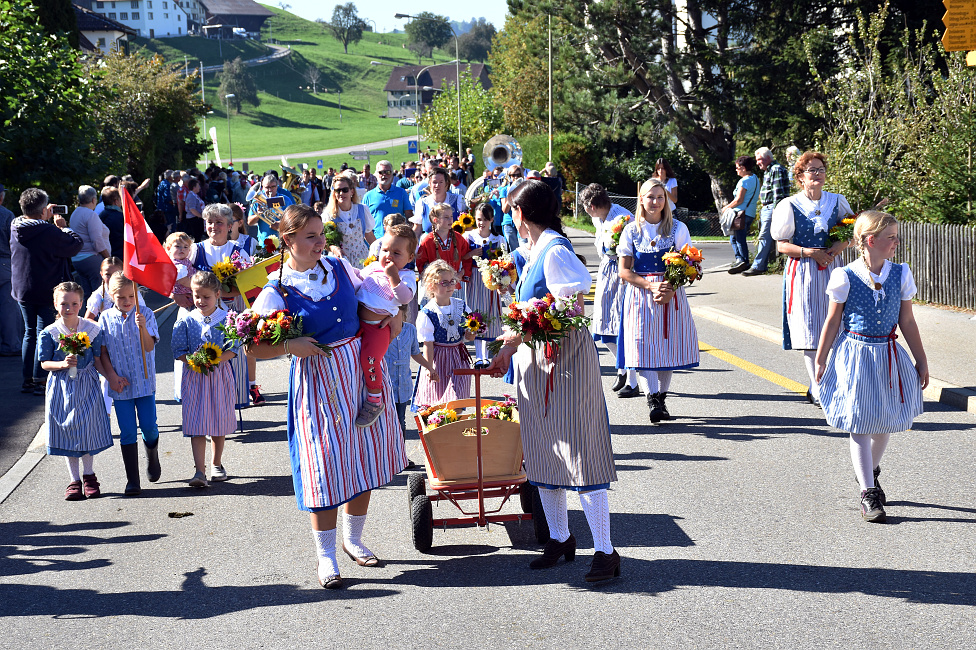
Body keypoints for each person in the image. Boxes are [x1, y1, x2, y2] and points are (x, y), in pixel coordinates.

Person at [249, 204, 407, 589]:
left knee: (363, 459)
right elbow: (253, 348)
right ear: (288, 241)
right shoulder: (276, 289)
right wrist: (290, 344)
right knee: (324, 466)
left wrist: (395, 319)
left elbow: (380, 304)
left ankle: (353, 540)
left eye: (321, 234)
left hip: (358, 371)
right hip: (317, 380)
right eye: (310, 236)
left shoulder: (339, 267)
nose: (320, 242)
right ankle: (325, 556)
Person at [487, 179, 620, 582]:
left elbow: (570, 311)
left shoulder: (556, 250)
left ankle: (606, 551)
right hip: (538, 362)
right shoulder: (534, 250)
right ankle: (560, 538)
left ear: (521, 214)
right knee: (545, 452)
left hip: (565, 365)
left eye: (512, 210)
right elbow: (538, 315)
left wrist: (519, 337)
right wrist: (510, 349)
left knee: (580, 451)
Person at [815, 211, 927, 523]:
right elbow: (832, 320)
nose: (897, 242)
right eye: (891, 237)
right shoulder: (845, 276)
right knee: (860, 422)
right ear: (870, 241)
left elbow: (907, 321)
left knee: (884, 422)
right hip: (855, 354)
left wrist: (922, 359)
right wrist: (822, 359)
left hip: (889, 354)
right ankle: (869, 492)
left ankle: (869, 469)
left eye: (896, 236)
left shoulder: (901, 273)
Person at [771, 150, 853, 405]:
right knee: (809, 330)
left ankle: (819, 382)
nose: (817, 174)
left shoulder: (837, 201)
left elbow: (851, 231)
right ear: (800, 177)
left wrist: (840, 245)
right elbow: (781, 245)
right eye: (811, 170)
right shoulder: (789, 205)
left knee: (835, 327)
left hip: (833, 269)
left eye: (820, 170)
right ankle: (819, 389)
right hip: (803, 272)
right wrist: (809, 253)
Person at [617, 178, 700, 422]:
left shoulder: (677, 228)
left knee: (666, 346)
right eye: (650, 197)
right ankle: (652, 398)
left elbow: (690, 264)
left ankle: (661, 399)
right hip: (640, 295)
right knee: (642, 347)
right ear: (641, 199)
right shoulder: (632, 230)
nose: (655, 202)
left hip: (671, 294)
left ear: (666, 201)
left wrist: (671, 288)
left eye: (660, 197)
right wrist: (650, 285)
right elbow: (624, 270)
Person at [38, 281, 113, 500]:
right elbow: (44, 363)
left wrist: (112, 378)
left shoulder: (91, 329)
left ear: (81, 304)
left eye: (73, 303)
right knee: (68, 429)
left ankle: (89, 475)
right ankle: (74, 479)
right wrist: (62, 364)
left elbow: (98, 360)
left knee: (87, 428)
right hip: (61, 386)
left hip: (87, 382)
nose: (68, 308)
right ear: (55, 304)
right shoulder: (49, 333)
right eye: (64, 304)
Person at [11, 188, 83, 395]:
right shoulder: (48, 231)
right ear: (43, 210)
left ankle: (28, 379)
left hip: (23, 289)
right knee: (45, 333)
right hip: (45, 288)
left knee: (29, 333)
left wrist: (43, 215)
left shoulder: (15, 225)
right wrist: (63, 227)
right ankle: (40, 379)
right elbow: (74, 245)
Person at [97, 272, 161, 496]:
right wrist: (111, 377)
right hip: (120, 385)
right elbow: (102, 353)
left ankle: (152, 454)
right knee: (126, 431)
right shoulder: (104, 318)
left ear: (137, 294)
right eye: (121, 297)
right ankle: (132, 481)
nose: (126, 301)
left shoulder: (146, 314)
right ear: (111, 296)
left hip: (143, 382)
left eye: (130, 296)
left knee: (149, 427)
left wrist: (142, 327)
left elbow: (150, 347)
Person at [172, 271, 238, 487]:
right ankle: (199, 471)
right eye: (196, 296)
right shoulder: (187, 320)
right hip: (194, 377)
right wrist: (193, 360)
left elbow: (235, 348)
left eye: (206, 297)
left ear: (218, 294)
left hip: (219, 376)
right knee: (197, 424)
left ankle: (217, 464)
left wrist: (216, 359)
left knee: (218, 422)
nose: (200, 301)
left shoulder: (228, 319)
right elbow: (178, 349)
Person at [354, 224, 418, 427]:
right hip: (358, 322)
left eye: (396, 253)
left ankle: (374, 399)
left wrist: (393, 277)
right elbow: (358, 278)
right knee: (355, 361)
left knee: (370, 360)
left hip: (378, 327)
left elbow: (405, 298)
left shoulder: (406, 277)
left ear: (409, 257)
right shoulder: (373, 267)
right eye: (385, 250)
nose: (389, 256)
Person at [579, 183, 639, 397]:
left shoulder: (622, 218)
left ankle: (633, 380)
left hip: (622, 273)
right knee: (604, 327)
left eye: (584, 206)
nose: (584, 211)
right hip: (606, 271)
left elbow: (631, 248)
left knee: (622, 326)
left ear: (592, 206)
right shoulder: (598, 218)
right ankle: (621, 368)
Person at [190, 203, 250, 410]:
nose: (214, 226)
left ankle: (229, 408)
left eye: (219, 222)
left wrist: (219, 294)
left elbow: (246, 286)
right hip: (202, 314)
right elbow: (183, 281)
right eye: (210, 222)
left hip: (232, 311)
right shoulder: (195, 250)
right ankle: (207, 407)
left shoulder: (238, 252)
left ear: (230, 225)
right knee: (206, 356)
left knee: (232, 356)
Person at [411, 260, 474, 410]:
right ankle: (442, 431)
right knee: (438, 403)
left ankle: (456, 427)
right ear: (432, 286)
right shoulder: (428, 312)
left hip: (459, 357)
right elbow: (428, 344)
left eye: (452, 281)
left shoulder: (461, 305)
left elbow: (469, 337)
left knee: (457, 400)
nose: (450, 286)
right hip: (438, 360)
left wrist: (473, 330)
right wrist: (429, 368)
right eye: (444, 283)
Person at [463, 202, 507, 366]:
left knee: (491, 315)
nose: (482, 223)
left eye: (485, 220)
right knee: (476, 315)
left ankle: (488, 356)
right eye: (479, 219)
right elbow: (461, 257)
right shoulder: (469, 237)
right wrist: (471, 254)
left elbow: (504, 262)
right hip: (474, 280)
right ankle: (479, 356)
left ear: (492, 220)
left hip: (491, 281)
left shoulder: (499, 239)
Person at [745, 147, 791, 276]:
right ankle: (765, 265)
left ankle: (758, 266)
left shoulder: (776, 169)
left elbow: (778, 193)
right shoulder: (769, 170)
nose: (757, 163)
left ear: (767, 158)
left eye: (759, 160)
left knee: (765, 237)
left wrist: (777, 211)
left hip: (772, 208)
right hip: (767, 207)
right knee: (767, 237)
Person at [164, 232, 195, 401]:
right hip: (188, 305)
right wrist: (206, 285)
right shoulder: (178, 266)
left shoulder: (184, 263)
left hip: (192, 303)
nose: (182, 250)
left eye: (185, 247)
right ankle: (183, 390)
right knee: (185, 344)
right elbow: (186, 282)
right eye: (177, 247)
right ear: (168, 249)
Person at [415, 203, 478, 285]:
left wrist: (461, 274)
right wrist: (434, 277)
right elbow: (421, 263)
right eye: (446, 217)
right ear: (436, 220)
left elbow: (467, 258)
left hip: (455, 284)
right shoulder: (428, 241)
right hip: (436, 286)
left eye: (451, 216)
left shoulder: (458, 238)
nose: (450, 220)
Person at [324, 171, 376, 268]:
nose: (341, 193)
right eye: (337, 190)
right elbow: (326, 241)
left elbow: (368, 234)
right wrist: (334, 248)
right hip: (340, 260)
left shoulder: (362, 209)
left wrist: (378, 253)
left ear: (352, 191)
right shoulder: (329, 214)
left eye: (345, 190)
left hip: (361, 258)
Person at [68, 185, 111, 298]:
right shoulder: (90, 215)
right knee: (100, 295)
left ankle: (89, 316)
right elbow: (97, 241)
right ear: (93, 199)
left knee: (88, 294)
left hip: (78, 259)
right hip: (92, 258)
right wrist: (108, 258)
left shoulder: (75, 213)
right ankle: (98, 316)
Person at [722, 156, 761, 274]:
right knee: (735, 237)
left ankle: (742, 260)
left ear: (743, 168)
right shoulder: (755, 178)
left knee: (738, 238)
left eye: (737, 168)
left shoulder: (744, 181)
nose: (736, 170)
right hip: (750, 213)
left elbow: (739, 200)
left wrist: (726, 207)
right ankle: (740, 260)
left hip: (740, 214)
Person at [0, 183, 25, 357]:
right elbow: (14, 241)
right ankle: (10, 344)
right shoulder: (6, 215)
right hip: (4, 263)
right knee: (8, 306)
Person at [363, 160, 414, 239]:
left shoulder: (401, 192)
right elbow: (364, 222)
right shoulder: (368, 196)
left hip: (398, 239)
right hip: (377, 240)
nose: (384, 175)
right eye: (381, 172)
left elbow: (409, 216)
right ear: (376, 175)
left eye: (388, 172)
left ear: (392, 175)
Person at [84, 256, 146, 321]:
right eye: (108, 274)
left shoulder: (131, 290)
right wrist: (104, 327)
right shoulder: (99, 294)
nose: (112, 278)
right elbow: (87, 319)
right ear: (101, 274)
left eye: (116, 274)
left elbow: (144, 312)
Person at [414, 167, 468, 234]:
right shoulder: (422, 203)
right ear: (429, 184)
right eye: (434, 182)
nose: (437, 185)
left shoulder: (458, 201)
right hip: (430, 243)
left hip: (453, 243)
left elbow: (466, 227)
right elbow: (417, 229)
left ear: (446, 183)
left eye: (441, 182)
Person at [499, 166, 525, 252]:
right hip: (509, 223)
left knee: (524, 247)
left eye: (518, 175)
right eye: (513, 175)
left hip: (522, 221)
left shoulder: (524, 188)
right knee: (514, 250)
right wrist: (510, 194)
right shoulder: (504, 190)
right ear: (509, 177)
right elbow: (505, 210)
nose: (516, 177)